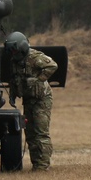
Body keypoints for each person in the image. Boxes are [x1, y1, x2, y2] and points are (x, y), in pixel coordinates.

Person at [5, 32, 57, 171]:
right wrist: (13, 95)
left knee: (41, 132)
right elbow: (14, 79)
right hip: (28, 100)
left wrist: (38, 80)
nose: (13, 54)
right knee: (30, 133)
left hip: (41, 99)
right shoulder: (15, 61)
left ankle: (43, 165)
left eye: (15, 50)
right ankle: (36, 164)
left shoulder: (35, 57)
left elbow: (52, 66)